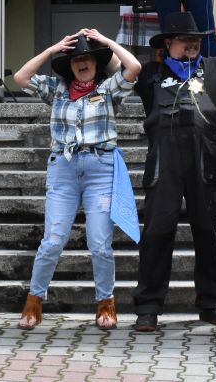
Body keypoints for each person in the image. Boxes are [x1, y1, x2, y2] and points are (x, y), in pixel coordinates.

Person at [132, 11, 216, 331]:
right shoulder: (150, 74)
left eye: (197, 41)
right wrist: (104, 41)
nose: (192, 46)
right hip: (163, 164)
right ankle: (148, 307)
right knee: (156, 234)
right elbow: (120, 67)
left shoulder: (213, 69)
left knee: (207, 234)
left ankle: (212, 303)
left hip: (205, 164)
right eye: (186, 41)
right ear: (168, 44)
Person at [13, 30, 141, 330]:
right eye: (75, 60)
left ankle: (106, 305)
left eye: (87, 59)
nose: (82, 64)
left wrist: (108, 43)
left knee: (99, 243)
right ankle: (33, 302)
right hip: (64, 169)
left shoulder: (109, 89)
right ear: (69, 65)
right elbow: (20, 77)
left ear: (96, 64)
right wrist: (52, 49)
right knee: (53, 240)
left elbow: (134, 67)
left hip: (101, 168)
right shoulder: (57, 90)